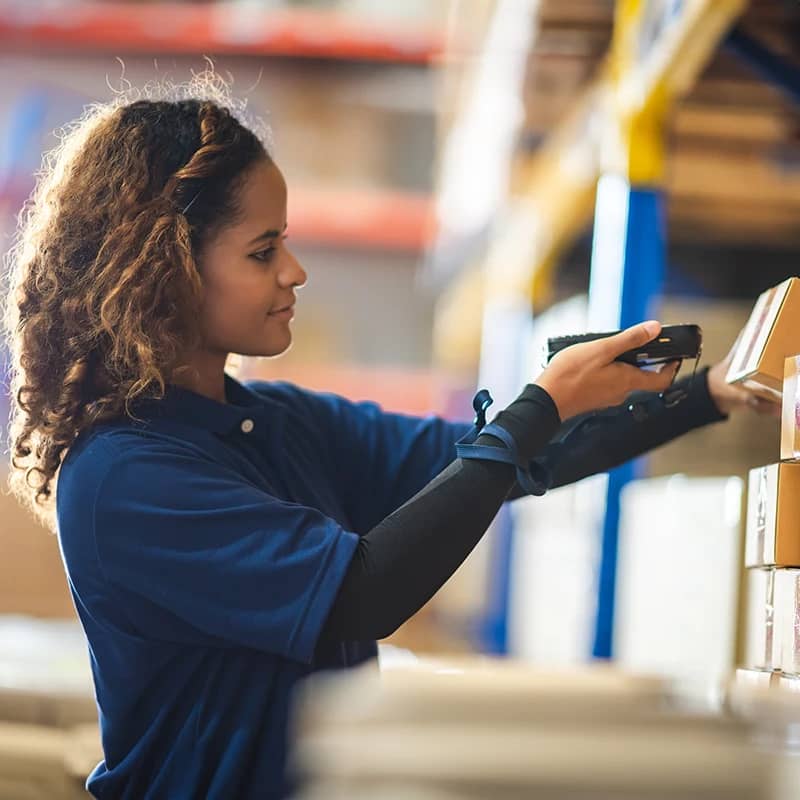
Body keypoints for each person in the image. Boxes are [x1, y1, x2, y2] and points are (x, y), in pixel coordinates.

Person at [3, 76, 778, 800]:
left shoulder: (277, 423)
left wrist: (703, 394)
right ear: (165, 268)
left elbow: (504, 463)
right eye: (263, 250)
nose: (295, 271)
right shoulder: (125, 478)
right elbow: (360, 594)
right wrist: (538, 406)